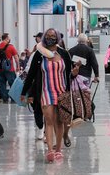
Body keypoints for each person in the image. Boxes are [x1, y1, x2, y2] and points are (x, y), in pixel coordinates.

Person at [22, 28, 77, 163]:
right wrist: (24, 92)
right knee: (49, 120)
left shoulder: (64, 54)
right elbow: (31, 74)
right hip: (46, 91)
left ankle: (58, 150)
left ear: (57, 38)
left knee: (59, 121)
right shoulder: (39, 55)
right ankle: (50, 151)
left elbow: (69, 74)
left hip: (62, 91)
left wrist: (74, 73)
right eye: (48, 36)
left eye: (53, 36)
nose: (50, 38)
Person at [0, 33, 19, 103]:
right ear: (6, 39)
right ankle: (13, 100)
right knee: (12, 84)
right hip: (10, 69)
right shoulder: (11, 47)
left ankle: (5, 99)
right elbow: (16, 58)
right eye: (9, 38)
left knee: (2, 85)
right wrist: (18, 66)